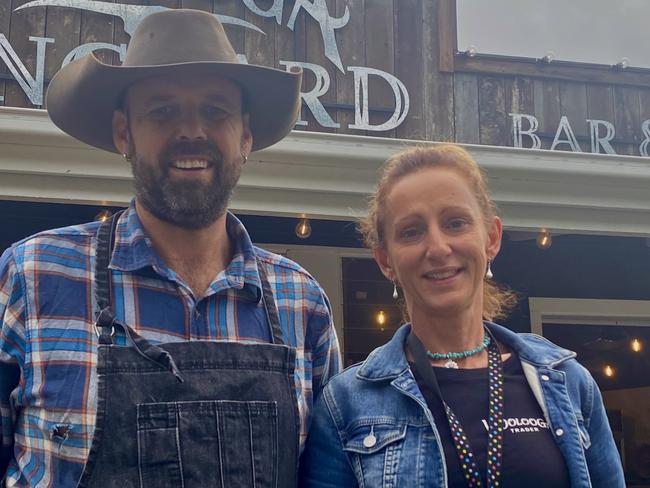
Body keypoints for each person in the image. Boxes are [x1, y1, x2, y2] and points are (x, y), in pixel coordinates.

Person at [0, 9, 340, 487]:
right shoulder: (32, 277)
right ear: (125, 133)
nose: (191, 131)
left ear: (245, 136)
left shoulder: (301, 303)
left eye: (215, 111)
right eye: (162, 110)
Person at [299, 144, 624, 487]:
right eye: (411, 231)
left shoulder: (570, 383)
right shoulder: (345, 405)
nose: (438, 248)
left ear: (491, 239)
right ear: (385, 260)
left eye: (456, 223)